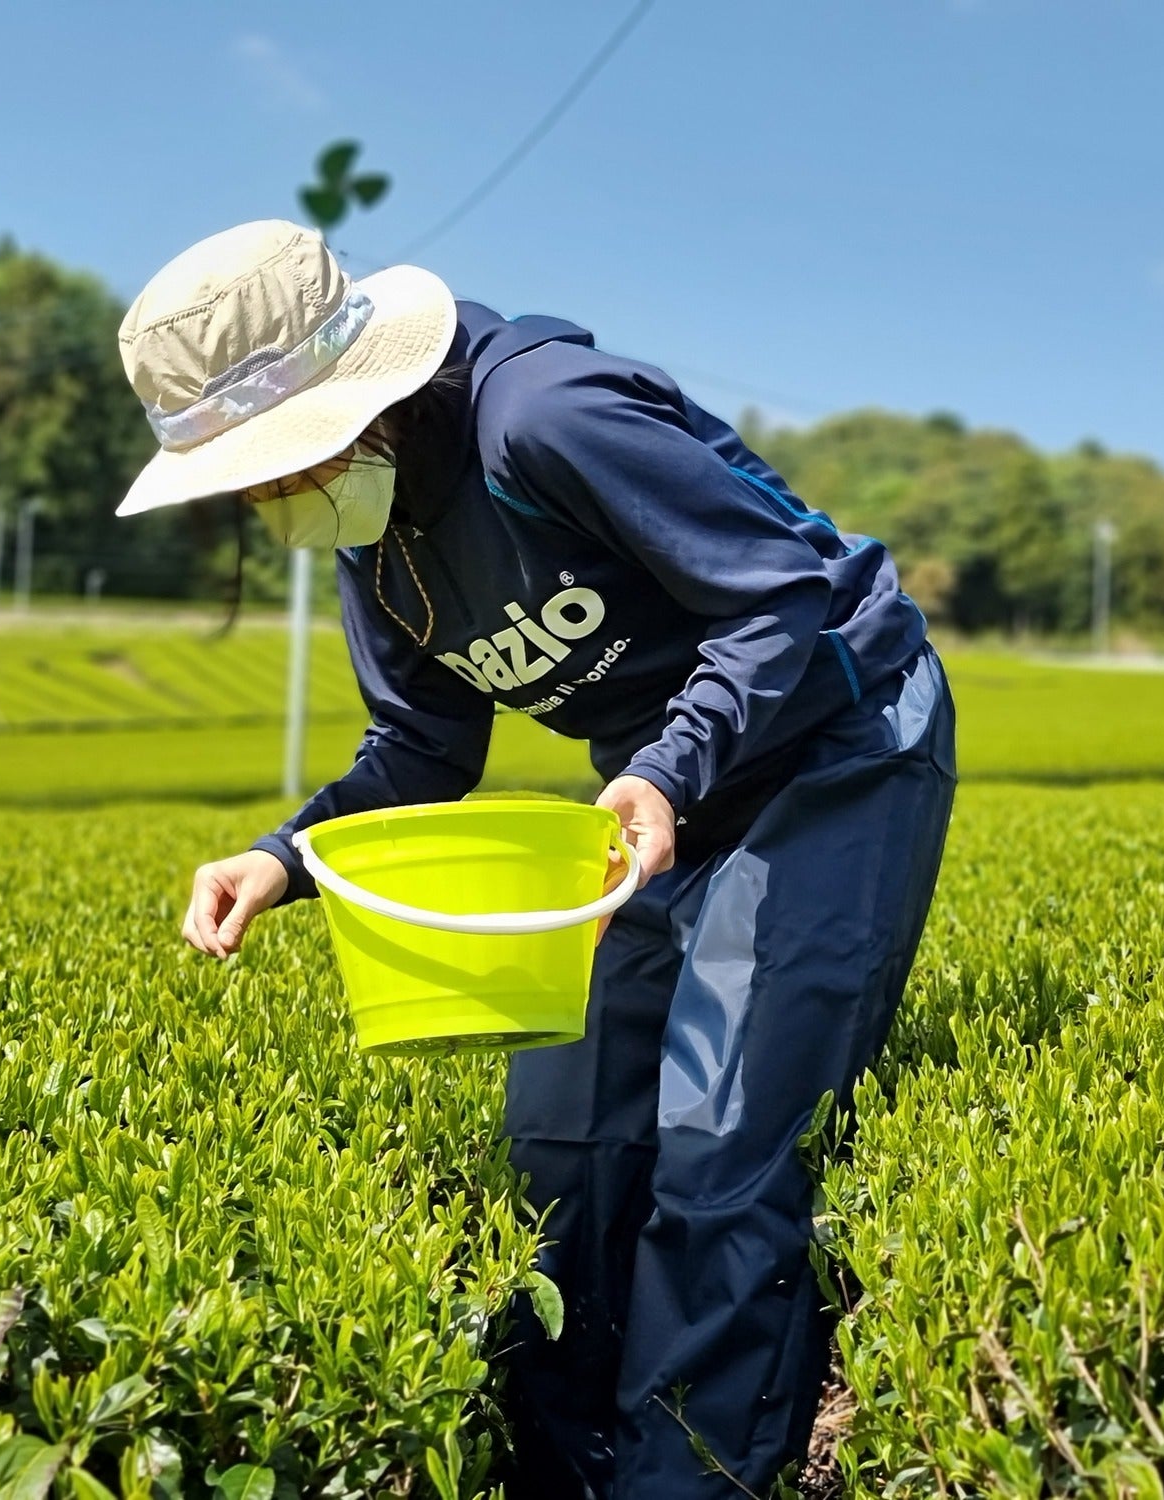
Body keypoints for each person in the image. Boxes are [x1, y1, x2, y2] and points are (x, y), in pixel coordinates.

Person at [118, 220, 956, 1498]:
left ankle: (688, 1479)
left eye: (265, 468)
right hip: (652, 784)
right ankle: (562, 1472)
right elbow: (418, 742)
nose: (259, 500)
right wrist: (281, 857)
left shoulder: (546, 419)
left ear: (360, 402)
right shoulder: (375, 526)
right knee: (567, 1140)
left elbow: (781, 596)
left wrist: (672, 767)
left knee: (719, 1141)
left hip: (830, 738)